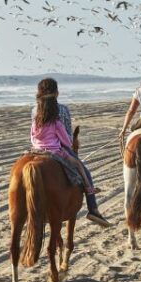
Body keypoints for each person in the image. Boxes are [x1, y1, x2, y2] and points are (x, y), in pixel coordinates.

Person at [30, 78, 111, 227]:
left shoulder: (35, 110)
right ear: (56, 93)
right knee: (83, 169)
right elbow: (67, 139)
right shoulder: (61, 111)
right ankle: (93, 209)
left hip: (36, 148)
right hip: (57, 149)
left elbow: (32, 136)